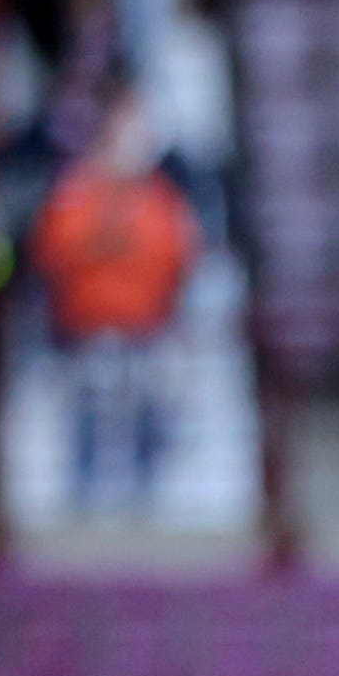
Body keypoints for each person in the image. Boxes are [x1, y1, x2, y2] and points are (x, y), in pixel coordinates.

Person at [34, 98, 202, 517]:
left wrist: (117, 252)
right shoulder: (74, 194)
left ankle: (145, 493)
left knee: (151, 408)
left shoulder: (160, 198)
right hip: (85, 324)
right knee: (86, 411)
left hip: (145, 325)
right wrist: (109, 248)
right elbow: (55, 249)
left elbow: (176, 252)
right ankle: (83, 493)